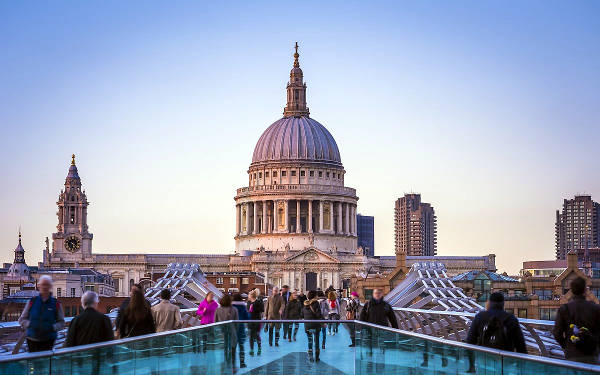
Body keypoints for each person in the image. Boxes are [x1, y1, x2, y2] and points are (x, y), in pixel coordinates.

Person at [553, 277, 600, 364]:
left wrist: (566, 346)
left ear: (572, 290)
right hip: (591, 354)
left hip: (572, 355)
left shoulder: (565, 309)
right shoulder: (595, 308)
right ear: (585, 290)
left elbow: (557, 333)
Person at [19, 275, 65, 352]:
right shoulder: (32, 301)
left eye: (47, 285)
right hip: (32, 339)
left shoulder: (56, 303)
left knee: (45, 362)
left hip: (49, 340)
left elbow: (61, 322)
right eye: (43, 284)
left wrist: (53, 327)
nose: (45, 287)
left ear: (50, 286)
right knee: (32, 362)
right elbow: (22, 319)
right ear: (39, 286)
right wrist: (30, 324)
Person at [359, 288, 398, 356]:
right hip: (370, 328)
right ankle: (369, 356)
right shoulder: (368, 304)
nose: (377, 295)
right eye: (376, 293)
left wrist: (396, 329)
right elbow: (362, 316)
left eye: (379, 293)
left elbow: (392, 318)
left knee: (381, 344)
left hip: (382, 329)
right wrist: (361, 327)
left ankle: (381, 356)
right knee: (369, 343)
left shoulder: (386, 305)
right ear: (373, 294)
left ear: (381, 295)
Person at [215, 294, 239, 370]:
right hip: (232, 331)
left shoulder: (218, 310)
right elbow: (237, 322)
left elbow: (215, 322)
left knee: (224, 349)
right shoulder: (234, 309)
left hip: (222, 332)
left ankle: (225, 364)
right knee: (233, 349)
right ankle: (233, 366)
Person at [302, 290, 324, 362]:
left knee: (310, 340)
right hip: (315, 325)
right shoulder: (316, 303)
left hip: (307, 325)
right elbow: (318, 314)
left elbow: (302, 315)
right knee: (316, 341)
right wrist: (323, 322)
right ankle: (317, 358)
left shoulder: (305, 304)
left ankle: (310, 356)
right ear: (315, 296)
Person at [232, 293, 249, 369]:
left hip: (232, 328)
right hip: (241, 328)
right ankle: (242, 362)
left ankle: (233, 364)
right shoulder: (243, 306)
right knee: (241, 346)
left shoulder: (231, 306)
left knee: (233, 347)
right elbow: (247, 317)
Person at [247, 288, 264, 356]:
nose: (248, 296)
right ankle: (252, 349)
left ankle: (259, 347)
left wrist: (254, 306)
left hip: (257, 320)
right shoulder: (248, 302)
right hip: (250, 320)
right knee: (251, 335)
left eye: (249, 295)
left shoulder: (258, 302)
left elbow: (262, 309)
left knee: (256, 334)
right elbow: (247, 310)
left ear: (251, 296)